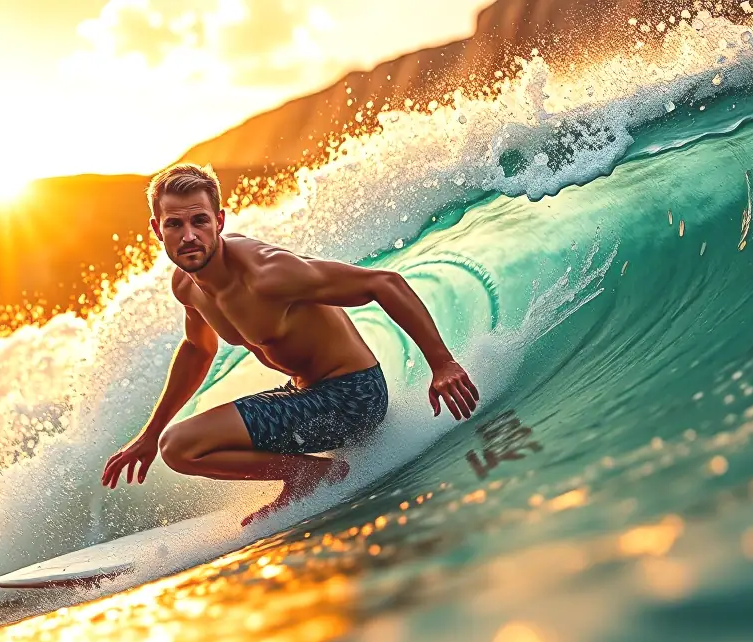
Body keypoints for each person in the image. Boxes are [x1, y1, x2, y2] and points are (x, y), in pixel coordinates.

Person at [100, 163, 479, 526]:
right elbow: (199, 348)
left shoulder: (268, 273)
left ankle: (310, 475)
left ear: (219, 221)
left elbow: (384, 283)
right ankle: (307, 472)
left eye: (199, 221)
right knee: (169, 445)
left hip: (353, 397)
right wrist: (147, 435)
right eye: (174, 224)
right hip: (305, 395)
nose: (188, 236)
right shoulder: (186, 285)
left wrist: (442, 364)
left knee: (179, 445)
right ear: (156, 229)